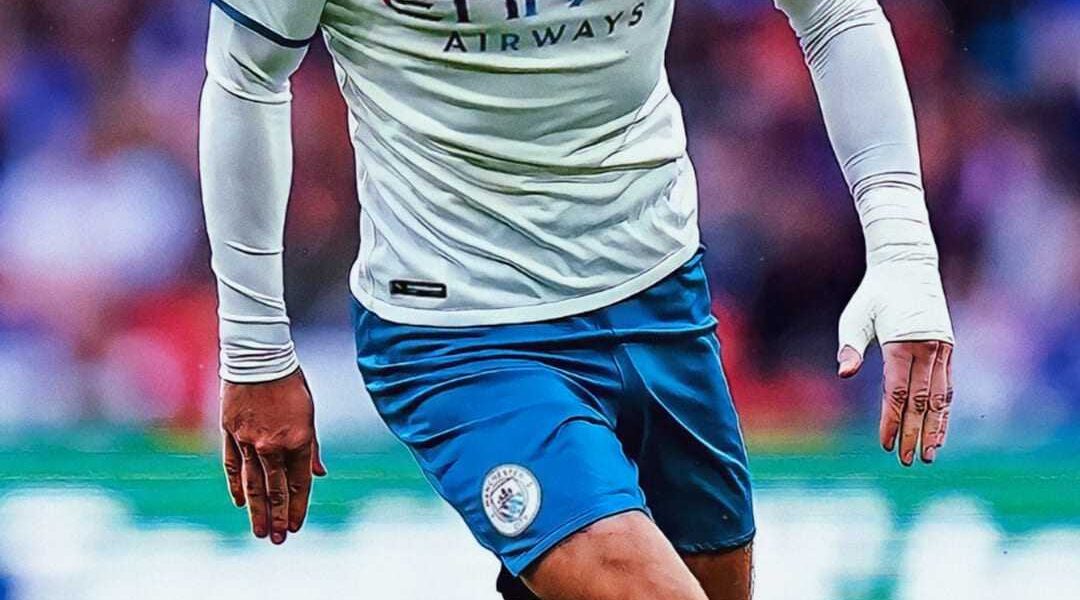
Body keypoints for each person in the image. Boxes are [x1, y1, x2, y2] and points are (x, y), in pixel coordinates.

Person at [200, 0, 956, 597]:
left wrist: (903, 251)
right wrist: (255, 347)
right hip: (460, 329)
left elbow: (834, 13)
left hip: (659, 295)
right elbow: (246, 73)